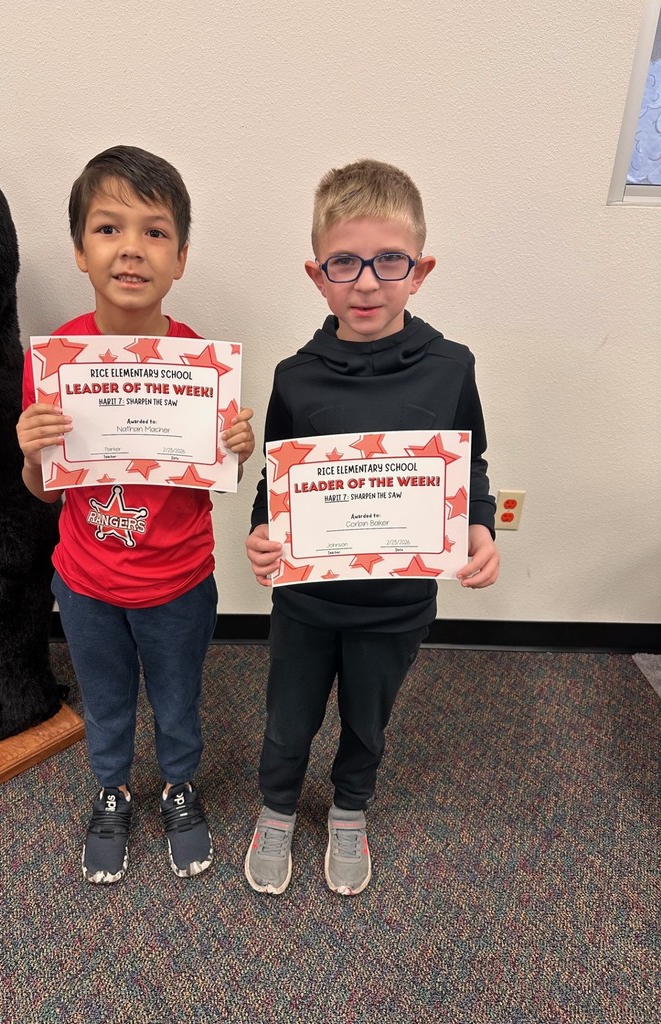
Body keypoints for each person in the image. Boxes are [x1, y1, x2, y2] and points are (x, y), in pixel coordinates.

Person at [244, 159, 499, 897]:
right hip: (307, 602)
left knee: (367, 721)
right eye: (344, 262)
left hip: (397, 606)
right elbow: (276, 477)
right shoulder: (296, 376)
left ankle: (351, 808)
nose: (365, 281)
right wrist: (264, 531)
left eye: (389, 261)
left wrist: (479, 526)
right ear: (315, 273)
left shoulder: (451, 368)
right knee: (288, 721)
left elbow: (469, 463)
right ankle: (278, 807)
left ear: (419, 270)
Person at [17, 146, 254, 884]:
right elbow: (44, 494)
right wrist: (31, 452)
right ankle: (113, 788)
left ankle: (179, 785)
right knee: (108, 699)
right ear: (81, 251)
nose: (131, 248)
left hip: (181, 581)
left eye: (154, 232)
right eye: (109, 228)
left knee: (180, 701)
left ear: (181, 257)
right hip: (85, 582)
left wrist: (237, 448)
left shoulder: (200, 365)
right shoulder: (56, 361)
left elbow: (217, 482)